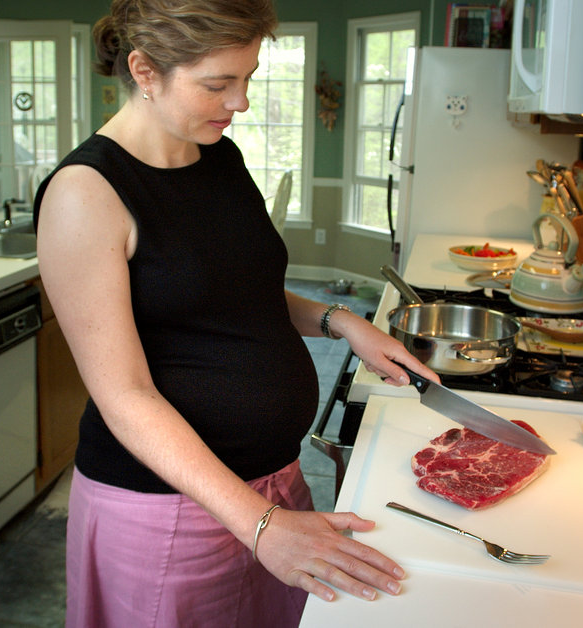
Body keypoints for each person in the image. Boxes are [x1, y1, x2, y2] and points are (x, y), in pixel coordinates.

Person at [33, 1, 440, 625]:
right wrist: (262, 524)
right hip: (166, 513)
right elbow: (125, 396)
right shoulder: (85, 194)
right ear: (144, 71)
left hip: (274, 487)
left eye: (247, 78)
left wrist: (343, 322)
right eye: (218, 84)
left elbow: (234, 291)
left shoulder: (220, 158)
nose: (241, 102)